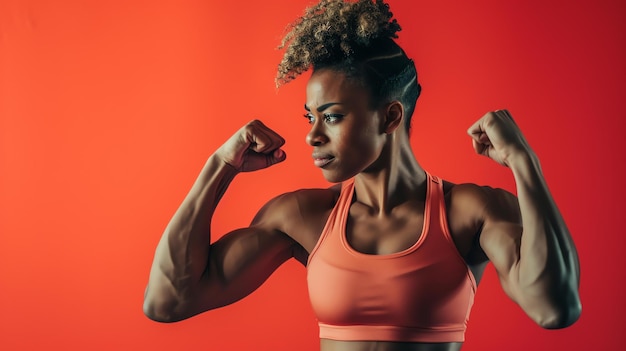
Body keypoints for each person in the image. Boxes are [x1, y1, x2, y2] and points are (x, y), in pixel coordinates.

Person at [143, 0, 581, 350]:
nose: (312, 135)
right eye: (309, 116)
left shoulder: (469, 212)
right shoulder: (304, 217)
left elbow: (553, 308)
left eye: (331, 117)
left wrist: (525, 164)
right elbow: (169, 300)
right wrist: (220, 166)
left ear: (390, 117)